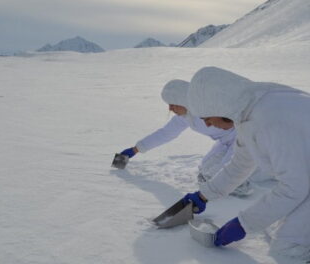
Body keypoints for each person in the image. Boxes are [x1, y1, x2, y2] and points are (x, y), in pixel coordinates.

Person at [183, 66, 310, 260]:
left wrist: (244, 223)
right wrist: (204, 195)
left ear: (220, 106)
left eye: (207, 118)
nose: (207, 125)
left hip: (303, 182)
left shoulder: (271, 119)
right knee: (277, 228)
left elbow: (295, 186)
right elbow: (240, 164)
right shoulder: (251, 110)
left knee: (288, 250)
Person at [119, 79, 252, 196]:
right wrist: (136, 149)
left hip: (245, 140)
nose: (170, 108)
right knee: (205, 171)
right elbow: (165, 133)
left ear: (182, 100)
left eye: (172, 103)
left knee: (222, 175)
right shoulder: (184, 117)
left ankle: (246, 183)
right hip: (225, 143)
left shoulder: (209, 107)